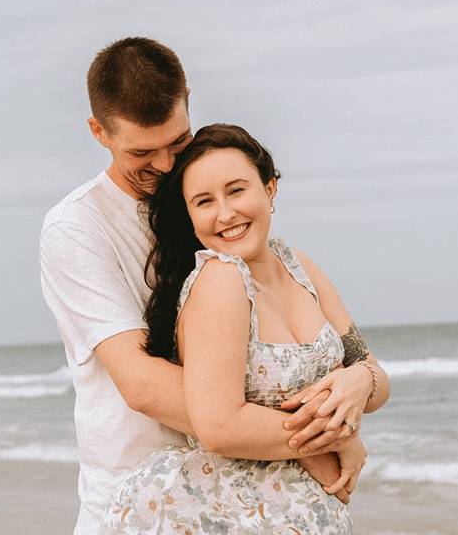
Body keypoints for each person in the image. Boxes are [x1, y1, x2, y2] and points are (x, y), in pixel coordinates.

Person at [40, 38, 380, 533]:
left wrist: (358, 381)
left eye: (177, 143)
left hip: (249, 498)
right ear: (98, 132)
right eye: (142, 152)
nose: (163, 165)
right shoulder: (77, 228)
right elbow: (142, 385)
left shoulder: (200, 206)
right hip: (147, 499)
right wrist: (318, 437)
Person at [100, 124, 390, 533]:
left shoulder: (300, 267)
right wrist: (333, 440)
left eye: (236, 190)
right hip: (231, 516)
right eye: (204, 201)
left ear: (269, 190)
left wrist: (358, 381)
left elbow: (378, 380)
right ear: (190, 216)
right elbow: (220, 426)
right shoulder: (221, 278)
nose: (225, 213)